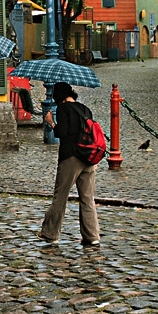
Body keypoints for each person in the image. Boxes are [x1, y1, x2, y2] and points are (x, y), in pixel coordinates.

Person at [37, 82, 100, 246]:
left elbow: (62, 133)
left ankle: (50, 233)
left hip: (71, 158)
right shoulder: (85, 109)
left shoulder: (63, 109)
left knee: (61, 196)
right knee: (87, 198)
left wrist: (51, 122)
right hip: (89, 158)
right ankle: (91, 235)